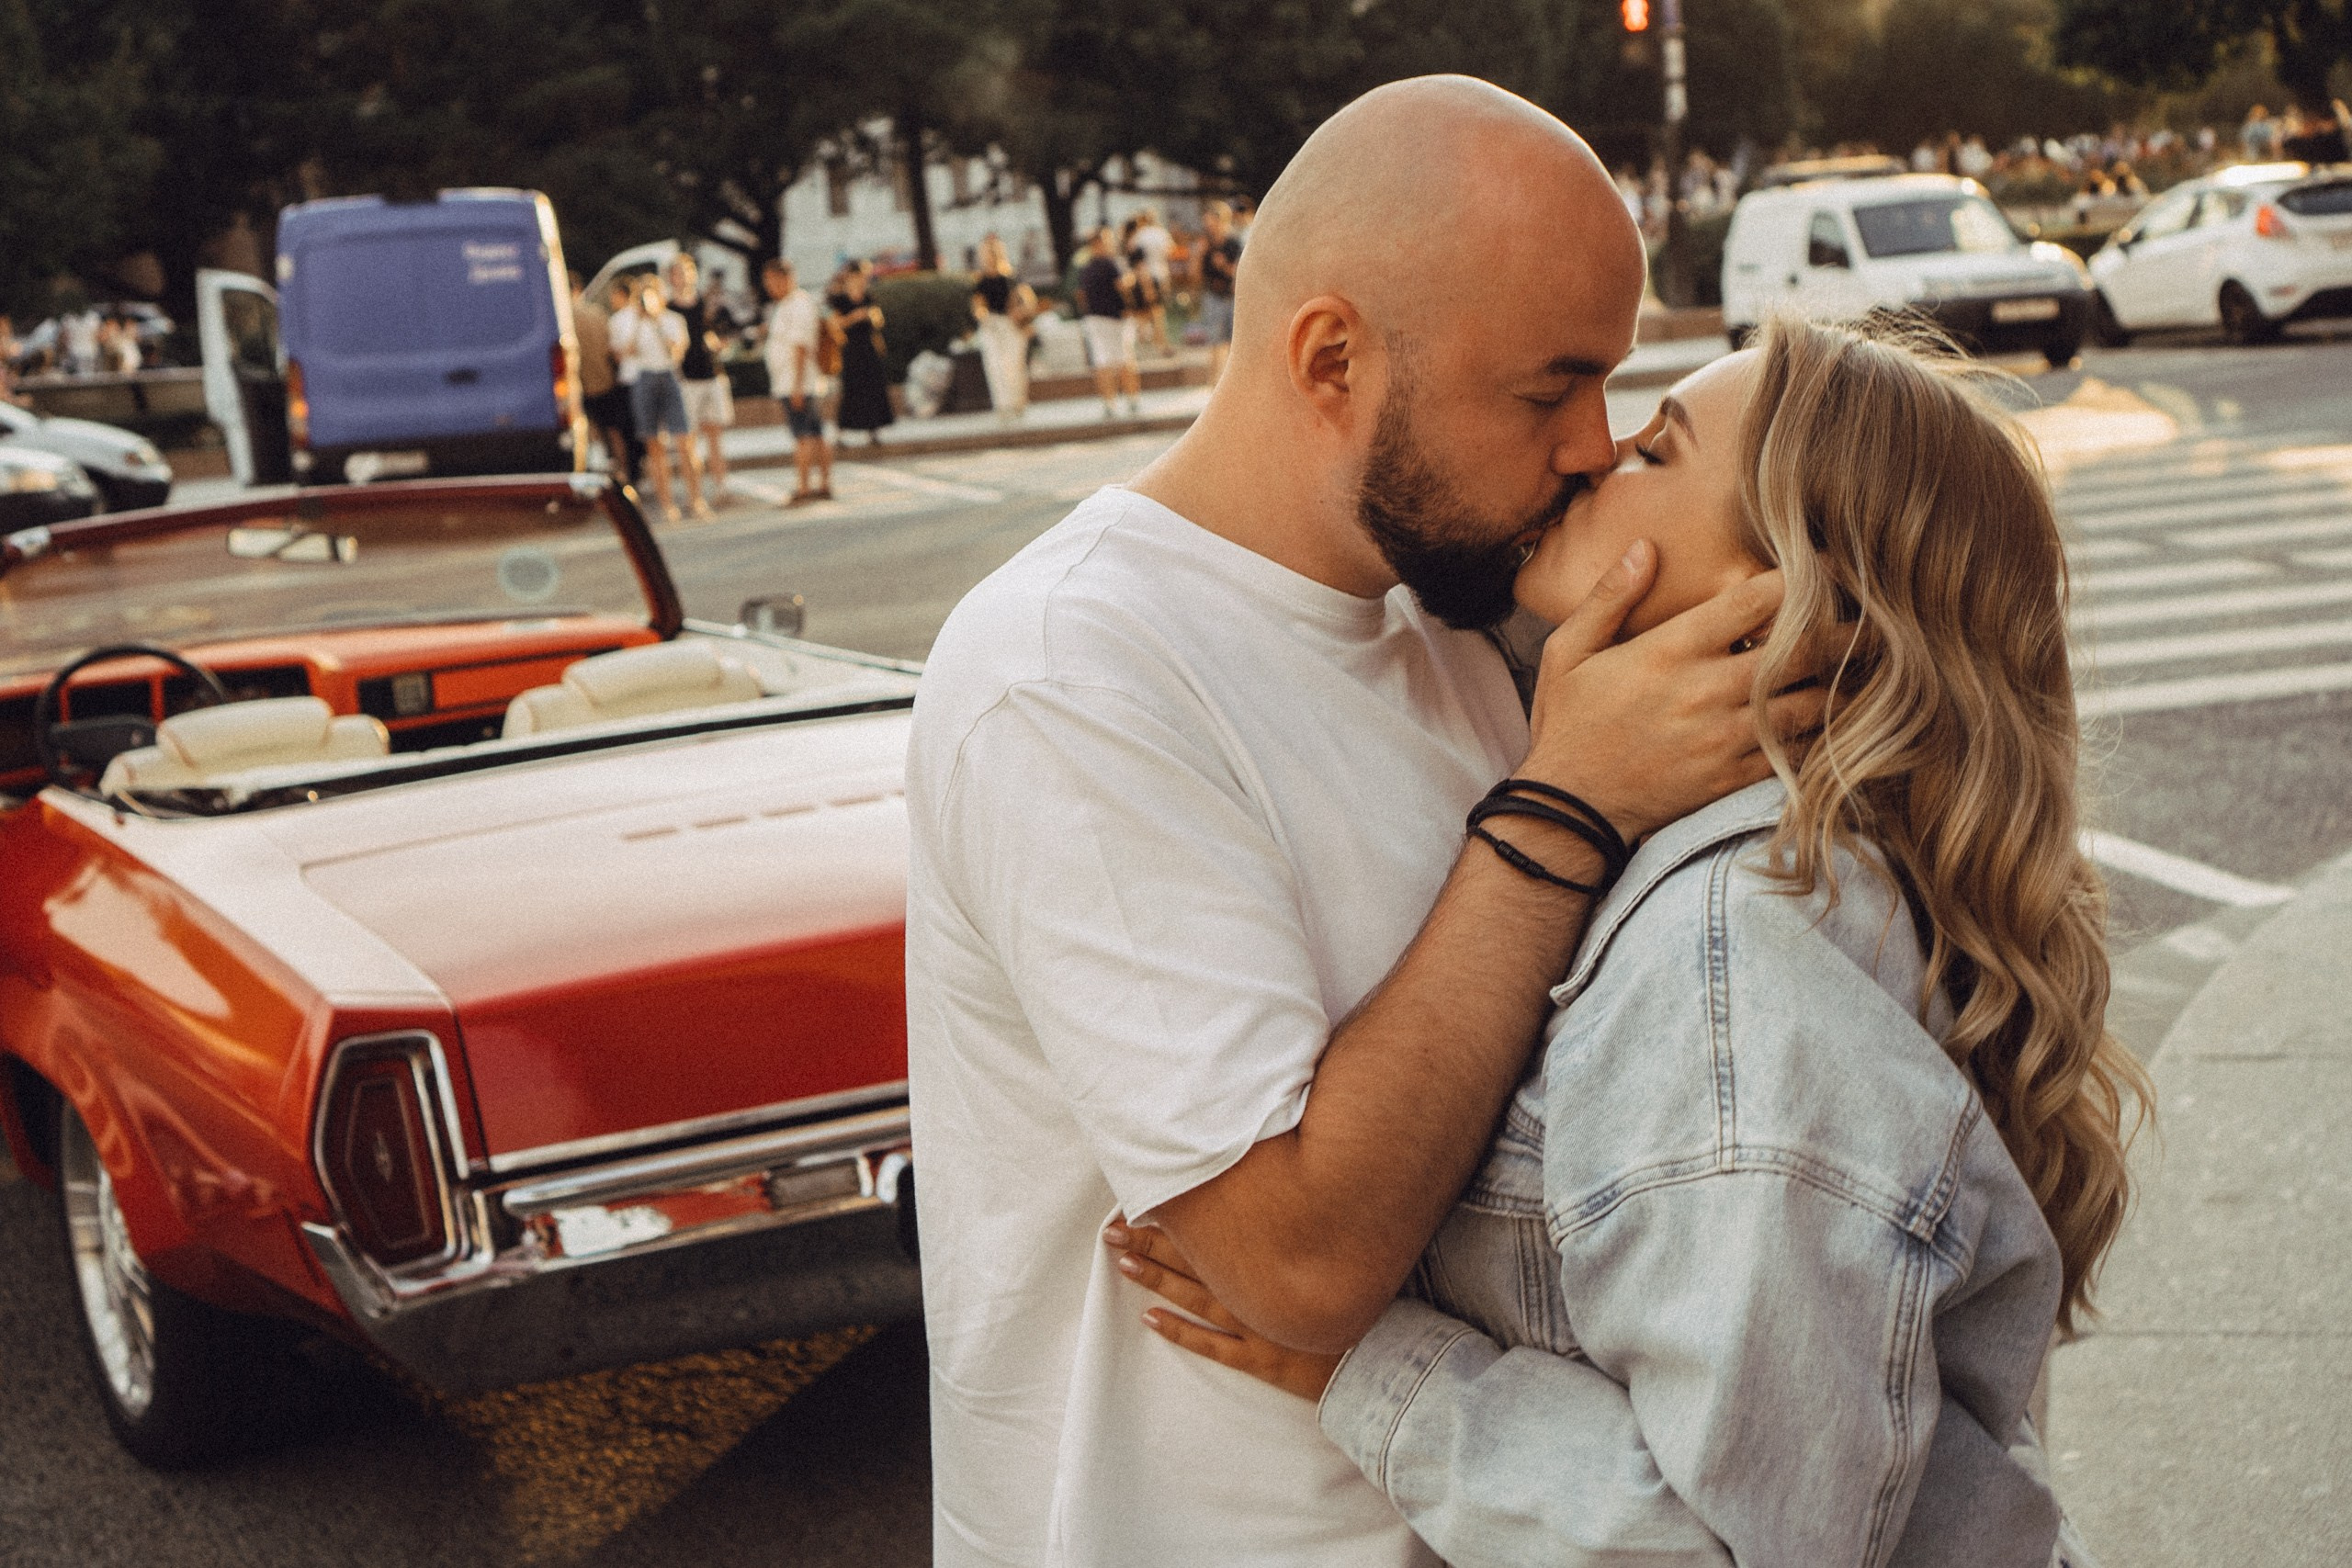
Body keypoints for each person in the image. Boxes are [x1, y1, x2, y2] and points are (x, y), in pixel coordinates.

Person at [904, 75, 1827, 1568]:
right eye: (1548, 388)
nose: (1593, 443)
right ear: (1331, 356)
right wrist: (1563, 807)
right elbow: (1299, 1256)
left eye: (1613, 389)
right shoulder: (1071, 668)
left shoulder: (1455, 622)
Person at [1116, 315, 2141, 1568]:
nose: (1593, 452)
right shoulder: (1754, 871)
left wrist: (1364, 1365)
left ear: (1779, 608)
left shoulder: (1737, 963)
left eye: (1655, 449)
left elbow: (1736, 1545)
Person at [610, 274, 703, 523]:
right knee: (653, 444)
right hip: (643, 378)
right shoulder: (630, 322)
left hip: (668, 375)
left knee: (684, 441)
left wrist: (657, 322)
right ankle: (667, 505)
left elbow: (676, 352)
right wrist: (641, 323)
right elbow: (624, 354)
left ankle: (695, 499)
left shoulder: (673, 320)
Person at [666, 254, 735, 507]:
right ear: (671, 278)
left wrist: (719, 344)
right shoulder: (667, 310)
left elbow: (724, 333)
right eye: (677, 273)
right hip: (686, 380)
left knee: (715, 435)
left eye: (686, 272)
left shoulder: (706, 305)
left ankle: (721, 487)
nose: (682, 277)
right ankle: (694, 493)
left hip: (712, 375)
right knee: (688, 439)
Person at [762, 256, 833, 502]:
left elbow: (801, 347)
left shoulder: (799, 305)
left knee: (804, 434)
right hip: (794, 380)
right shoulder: (788, 305)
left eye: (771, 280)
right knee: (813, 432)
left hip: (798, 381)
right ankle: (821, 483)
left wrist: (797, 386)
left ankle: (806, 486)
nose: (769, 287)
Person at [571, 271, 631, 486]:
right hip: (606, 380)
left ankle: (601, 478)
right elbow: (611, 347)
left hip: (583, 384)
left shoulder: (565, 318)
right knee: (614, 432)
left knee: (593, 434)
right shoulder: (597, 313)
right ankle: (622, 475)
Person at [1075, 227, 1141, 418]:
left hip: (1093, 318)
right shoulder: (1113, 264)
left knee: (1102, 362)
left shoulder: (1086, 268)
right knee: (1124, 359)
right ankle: (1132, 400)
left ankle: (1109, 404)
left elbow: (1080, 295)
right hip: (1116, 318)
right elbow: (1123, 286)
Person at [827, 260, 894, 446]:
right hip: (850, 349)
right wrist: (854, 317)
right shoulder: (840, 299)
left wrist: (872, 316)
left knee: (872, 388)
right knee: (851, 390)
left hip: (868, 347)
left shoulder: (869, 297)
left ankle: (873, 430)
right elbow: (834, 324)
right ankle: (841, 432)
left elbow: (879, 321)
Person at [968, 233, 1032, 422]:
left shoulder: (1010, 277)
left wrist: (1019, 313)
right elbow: (977, 305)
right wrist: (983, 316)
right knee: (995, 366)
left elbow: (1025, 299)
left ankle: (1017, 402)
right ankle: (1003, 406)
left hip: (1011, 324)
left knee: (1014, 365)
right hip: (992, 325)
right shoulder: (981, 281)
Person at [1197, 199, 1242, 385]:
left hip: (1231, 296)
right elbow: (1197, 275)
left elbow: (1239, 271)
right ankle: (1214, 384)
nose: (1208, 226)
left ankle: (1233, 382)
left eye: (1211, 221)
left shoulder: (1233, 242)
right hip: (1213, 296)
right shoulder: (1205, 244)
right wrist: (1198, 255)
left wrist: (1223, 265)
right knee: (1215, 342)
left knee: (1235, 342)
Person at [1126, 208, 1174, 354]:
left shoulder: (1138, 237)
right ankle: (1159, 343)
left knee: (1147, 312)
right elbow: (1170, 252)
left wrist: (1147, 287)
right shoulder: (1161, 233)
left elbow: (1138, 263)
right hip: (1161, 275)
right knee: (1155, 312)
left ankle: (1153, 343)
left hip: (1145, 277)